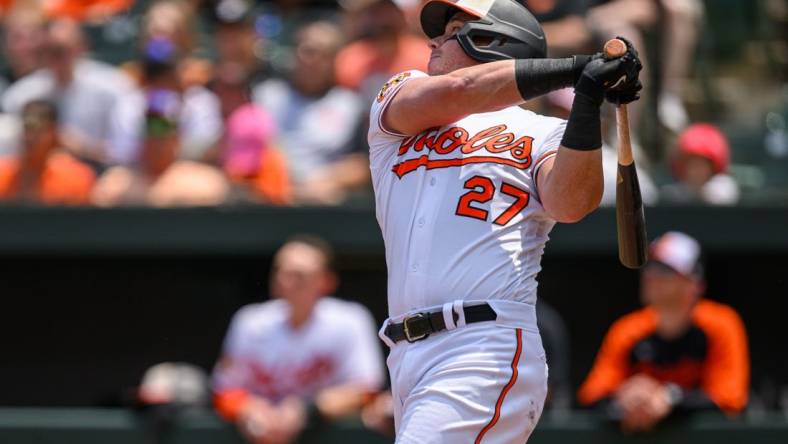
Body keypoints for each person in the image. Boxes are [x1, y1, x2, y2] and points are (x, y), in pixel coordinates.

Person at [367, 0, 643, 441]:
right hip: (404, 353)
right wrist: (577, 68)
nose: (433, 40)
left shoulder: (542, 133)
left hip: (484, 345)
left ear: (493, 40)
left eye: (452, 28)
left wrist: (589, 99)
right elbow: (460, 91)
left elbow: (571, 203)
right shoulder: (401, 96)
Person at [212, 236, 385, 444]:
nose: (284, 281)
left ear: (326, 281)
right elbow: (223, 391)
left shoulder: (349, 320)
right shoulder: (250, 321)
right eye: (280, 271)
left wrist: (306, 410)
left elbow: (366, 390)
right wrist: (248, 409)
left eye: (298, 275)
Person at [578, 231, 749, 432]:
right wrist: (625, 397)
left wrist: (669, 397)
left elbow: (730, 400)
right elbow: (591, 396)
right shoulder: (628, 329)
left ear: (694, 284)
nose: (651, 276)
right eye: (649, 267)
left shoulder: (721, 324)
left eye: (664, 270)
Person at [254, 21, 369, 205]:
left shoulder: (350, 105)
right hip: (265, 194)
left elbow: (365, 164)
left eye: (325, 55)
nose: (314, 61)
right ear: (294, 53)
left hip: (322, 198)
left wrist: (331, 179)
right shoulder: (265, 96)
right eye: (308, 51)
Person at [2, 18, 137, 168]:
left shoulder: (113, 87)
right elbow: (8, 151)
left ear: (81, 47)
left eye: (62, 50)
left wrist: (83, 148)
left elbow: (127, 152)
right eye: (50, 51)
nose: (57, 58)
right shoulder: (22, 95)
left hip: (98, 175)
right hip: (41, 178)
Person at [0, 100, 95, 204]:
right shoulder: (3, 174)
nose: (30, 138)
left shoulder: (76, 176)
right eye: (27, 129)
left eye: (38, 130)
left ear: (53, 132)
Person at [661, 123, 740, 205]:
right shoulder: (675, 194)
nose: (696, 171)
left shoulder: (723, 187)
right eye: (692, 164)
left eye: (701, 165)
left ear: (712, 167)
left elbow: (722, 196)